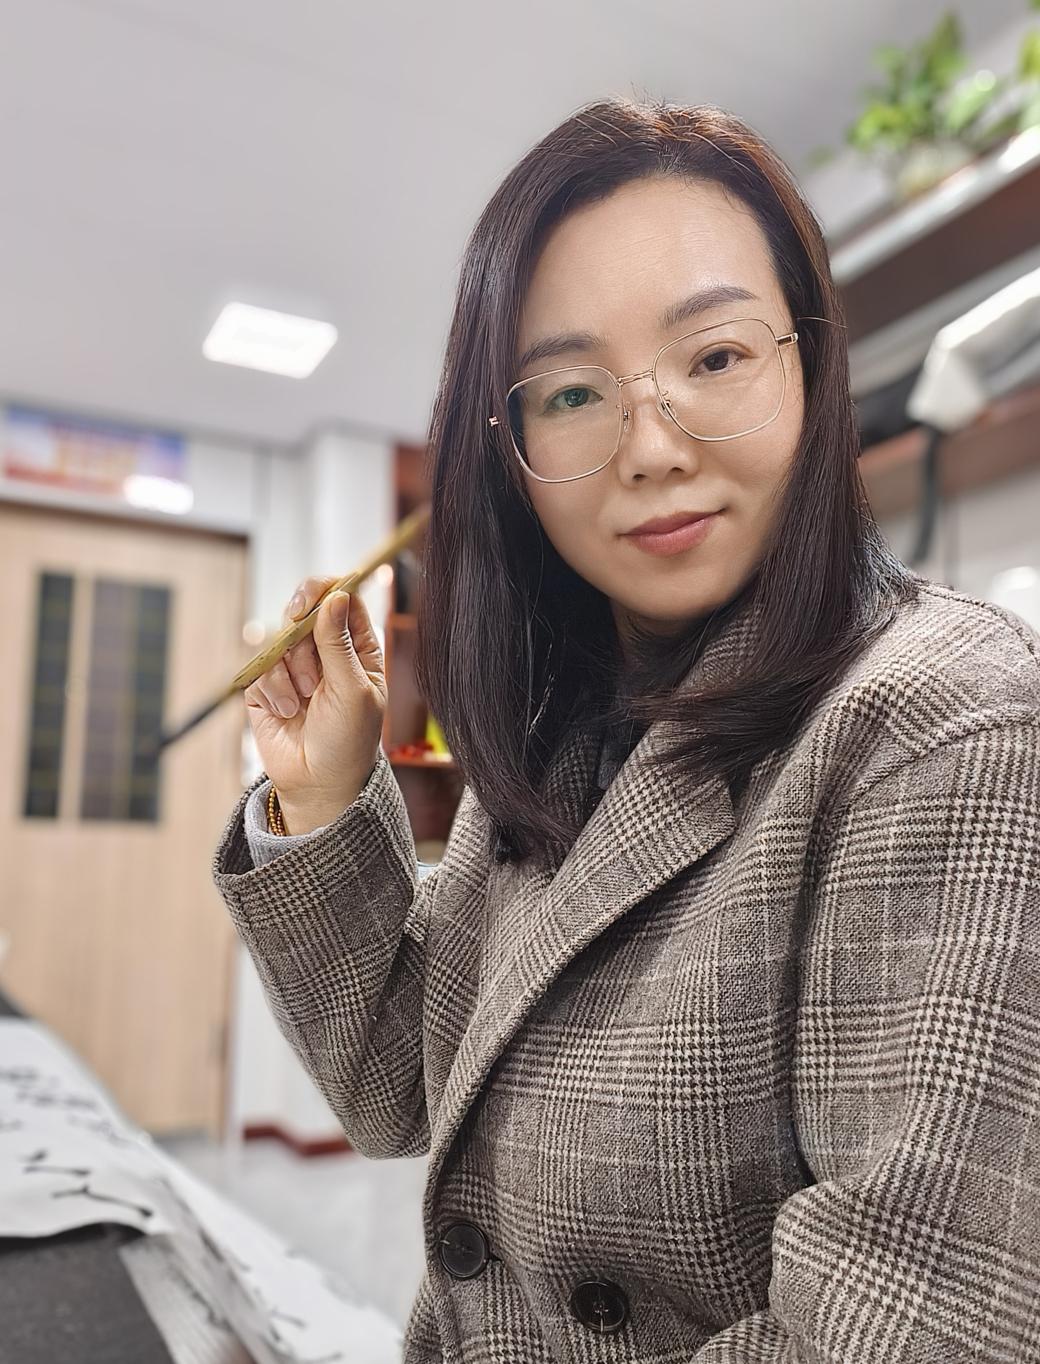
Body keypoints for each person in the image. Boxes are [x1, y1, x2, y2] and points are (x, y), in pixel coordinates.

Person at [211, 98, 1040, 1363]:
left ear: (810, 367)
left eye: (713, 357)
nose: (649, 447)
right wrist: (326, 794)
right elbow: (402, 1089)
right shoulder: (565, 723)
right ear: (507, 446)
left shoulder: (943, 722)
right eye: (572, 391)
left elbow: (908, 1327)